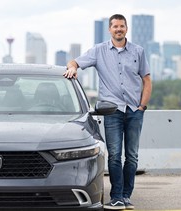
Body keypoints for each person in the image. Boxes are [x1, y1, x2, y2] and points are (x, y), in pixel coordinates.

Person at [63, 14, 152, 210]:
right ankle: (117, 197)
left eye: (122, 26)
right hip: (112, 111)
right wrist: (72, 69)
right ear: (110, 30)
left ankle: (126, 196)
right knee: (114, 155)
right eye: (115, 27)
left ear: (126, 29)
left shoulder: (138, 51)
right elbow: (74, 62)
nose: (119, 29)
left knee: (132, 156)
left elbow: (147, 80)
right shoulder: (99, 51)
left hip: (134, 110)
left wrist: (142, 106)